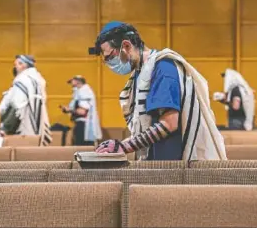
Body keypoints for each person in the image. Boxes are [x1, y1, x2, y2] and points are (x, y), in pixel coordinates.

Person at [89, 21, 226, 161]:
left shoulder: (163, 68)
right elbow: (148, 128)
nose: (109, 64)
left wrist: (124, 147)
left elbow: (168, 124)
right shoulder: (140, 73)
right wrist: (119, 145)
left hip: (173, 165)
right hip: (156, 161)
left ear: (126, 46)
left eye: (110, 57)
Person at [0, 55, 52, 146]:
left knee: (20, 151)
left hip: (22, 124)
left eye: (17, 64)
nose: (15, 67)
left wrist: (6, 127)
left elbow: (17, 105)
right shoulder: (39, 80)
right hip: (36, 123)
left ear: (24, 65)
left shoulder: (23, 80)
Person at [60, 75, 102, 146]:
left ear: (78, 82)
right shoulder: (84, 91)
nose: (72, 86)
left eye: (72, 83)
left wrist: (69, 110)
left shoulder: (84, 92)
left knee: (81, 148)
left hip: (83, 126)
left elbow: (83, 111)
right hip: (84, 125)